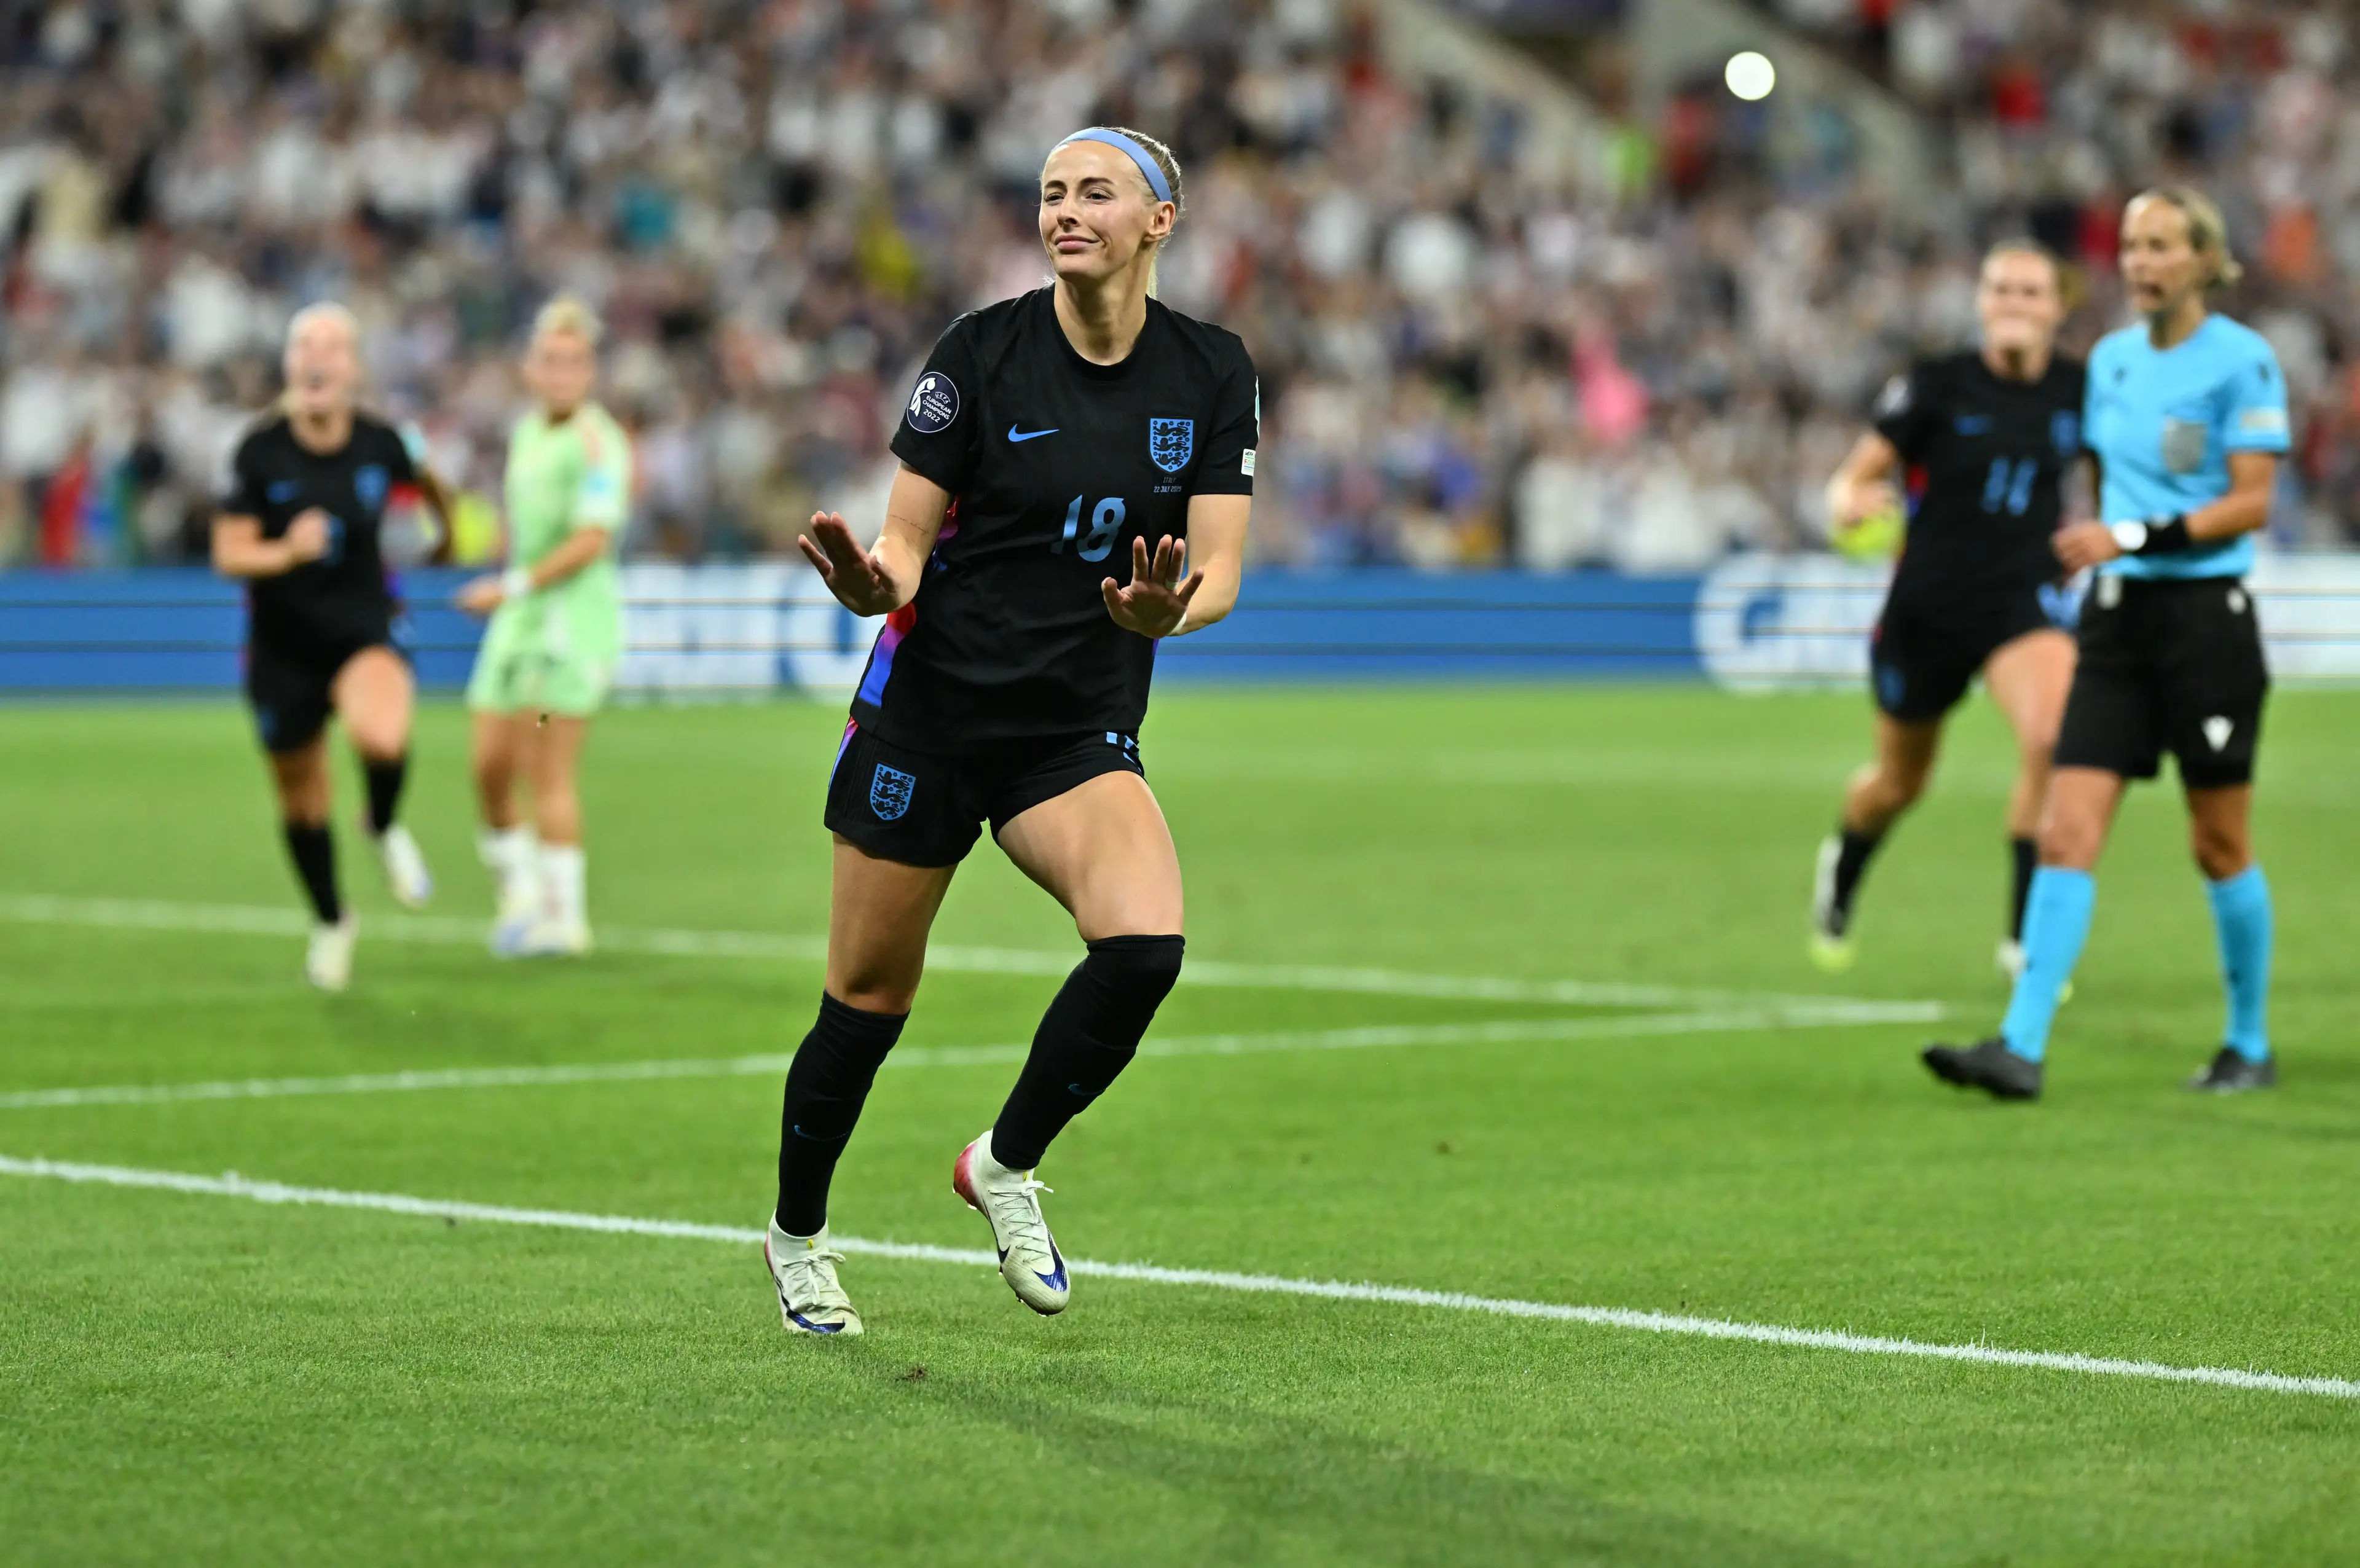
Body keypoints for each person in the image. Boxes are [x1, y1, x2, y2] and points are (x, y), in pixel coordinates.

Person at [761, 126, 1256, 1335]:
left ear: (1160, 221)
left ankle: (1006, 1163)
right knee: (866, 1004)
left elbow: (1224, 567)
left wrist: (1168, 608)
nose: (1066, 209)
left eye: (1097, 191)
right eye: (1050, 192)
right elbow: (905, 546)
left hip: (1072, 728)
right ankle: (798, 1233)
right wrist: (875, 588)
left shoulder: (1210, 370)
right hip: (930, 714)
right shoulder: (980, 354)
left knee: (1144, 948)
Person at [1924, 187, 2287, 1100]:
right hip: (2119, 623)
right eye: (2131, 246)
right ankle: (2021, 1047)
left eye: (2162, 245)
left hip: (2206, 621)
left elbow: (2251, 502)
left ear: (2206, 260)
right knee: (2066, 831)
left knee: (2218, 844)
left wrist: (2131, 536)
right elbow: (2090, 477)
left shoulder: (2244, 362)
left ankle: (2249, 1042)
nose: (2141, 262)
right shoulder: (2111, 364)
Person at [1811, 242, 2087, 978]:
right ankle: (1844, 864)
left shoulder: (2080, 390)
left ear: (2059, 306)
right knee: (1899, 785)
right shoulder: (1936, 385)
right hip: (1926, 610)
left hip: (2021, 601)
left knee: (2053, 738)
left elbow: (2112, 479)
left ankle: (2024, 937)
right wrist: (1848, 504)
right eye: (2000, 289)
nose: (2014, 304)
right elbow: (1851, 481)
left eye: (2031, 291)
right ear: (1980, 302)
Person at [212, 303, 449, 991]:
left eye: (332, 346)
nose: (316, 357)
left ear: (353, 367)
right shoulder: (260, 451)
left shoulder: (382, 442)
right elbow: (229, 552)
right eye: (302, 345)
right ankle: (331, 919)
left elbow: (432, 490)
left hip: (362, 626)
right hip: (282, 646)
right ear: (290, 366)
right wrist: (286, 549)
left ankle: (379, 820)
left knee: (382, 737)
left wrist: (442, 531)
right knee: (302, 803)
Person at [458, 297, 632, 957]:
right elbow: (522, 526)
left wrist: (514, 584)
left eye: (574, 361)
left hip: (570, 623)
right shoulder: (527, 432)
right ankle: (521, 893)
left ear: (589, 371)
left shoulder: (598, 441)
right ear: (531, 367)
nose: (561, 373)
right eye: (550, 360)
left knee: (546, 768)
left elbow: (592, 538)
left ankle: (564, 917)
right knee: (488, 766)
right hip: (520, 616)